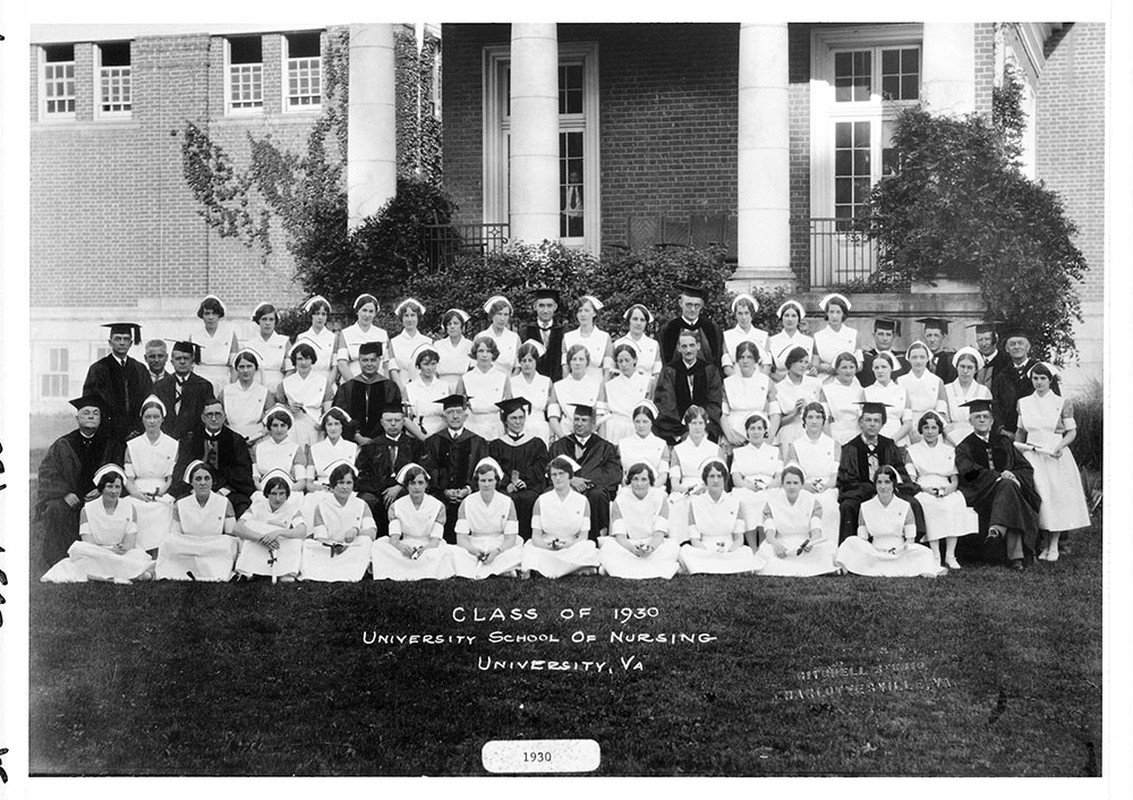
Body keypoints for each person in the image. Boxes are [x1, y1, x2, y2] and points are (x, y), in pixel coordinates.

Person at [1015, 362, 1092, 561]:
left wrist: (1059, 447)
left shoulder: (1062, 402)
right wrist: (1017, 448)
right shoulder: (1023, 402)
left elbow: (1071, 432)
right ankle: (1043, 543)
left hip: (1055, 455)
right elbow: (1021, 431)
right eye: (1035, 378)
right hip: (1032, 454)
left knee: (1056, 498)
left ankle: (1054, 544)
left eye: (1043, 378)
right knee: (1041, 497)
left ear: (1050, 380)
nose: (1038, 382)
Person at [954, 398, 1041, 571]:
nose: (982, 420)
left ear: (992, 420)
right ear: (970, 421)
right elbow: (968, 473)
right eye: (977, 416)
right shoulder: (964, 446)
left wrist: (1014, 475)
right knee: (1008, 488)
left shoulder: (1004, 442)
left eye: (986, 416)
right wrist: (998, 477)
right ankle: (1016, 556)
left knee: (1009, 488)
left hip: (1007, 492)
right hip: (982, 493)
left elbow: (1025, 468)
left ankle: (996, 531)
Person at [34, 395, 115, 576]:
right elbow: (48, 472)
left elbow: (116, 471)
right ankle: (59, 561)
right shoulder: (63, 444)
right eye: (86, 413)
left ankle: (102, 561)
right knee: (55, 509)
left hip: (100, 498)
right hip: (70, 497)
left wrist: (102, 490)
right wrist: (65, 493)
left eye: (96, 413)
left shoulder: (110, 444)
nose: (91, 416)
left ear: (100, 419)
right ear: (77, 418)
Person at [41, 464, 155, 583]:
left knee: (135, 555)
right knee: (81, 551)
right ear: (101, 488)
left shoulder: (130, 508)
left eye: (118, 487)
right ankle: (118, 577)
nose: (114, 491)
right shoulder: (87, 510)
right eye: (109, 487)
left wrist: (122, 549)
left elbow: (130, 541)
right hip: (96, 552)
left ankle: (102, 576)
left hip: (121, 553)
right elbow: (88, 542)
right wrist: (109, 551)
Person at [834, 466, 945, 578]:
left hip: (900, 553)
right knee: (850, 542)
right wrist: (873, 551)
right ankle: (844, 566)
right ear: (875, 484)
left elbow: (910, 539)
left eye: (887, 482)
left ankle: (919, 567)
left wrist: (900, 550)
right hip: (875, 553)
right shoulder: (865, 507)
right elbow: (862, 539)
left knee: (924, 551)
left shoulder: (905, 506)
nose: (883, 487)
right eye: (879, 482)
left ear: (893, 484)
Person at [836, 402, 923, 544]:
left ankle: (909, 547)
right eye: (868, 420)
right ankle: (851, 551)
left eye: (876, 421)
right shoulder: (850, 448)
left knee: (912, 503)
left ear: (883, 424)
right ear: (861, 423)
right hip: (860, 492)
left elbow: (900, 473)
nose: (872, 424)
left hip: (889, 491)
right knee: (848, 506)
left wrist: (891, 487)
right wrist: (870, 489)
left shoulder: (889, 445)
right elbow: (846, 480)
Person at [906, 411, 978, 570]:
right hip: (924, 487)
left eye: (934, 427)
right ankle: (935, 554)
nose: (930, 431)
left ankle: (950, 555)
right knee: (932, 506)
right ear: (921, 430)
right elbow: (911, 478)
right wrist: (925, 489)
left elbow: (954, 478)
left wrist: (950, 490)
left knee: (955, 502)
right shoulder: (912, 451)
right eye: (926, 427)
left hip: (946, 487)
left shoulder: (949, 450)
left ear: (939, 430)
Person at [547, 403, 622, 539]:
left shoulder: (605, 447)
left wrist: (585, 482)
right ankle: (558, 538)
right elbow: (549, 471)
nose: (579, 424)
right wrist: (570, 480)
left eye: (584, 420)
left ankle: (593, 540)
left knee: (597, 495)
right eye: (576, 419)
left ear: (593, 424)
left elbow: (614, 474)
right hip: (565, 488)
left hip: (593, 489)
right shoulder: (559, 446)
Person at [170, 398, 255, 518]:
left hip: (227, 490)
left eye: (218, 414)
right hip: (194, 490)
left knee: (241, 505)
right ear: (203, 418)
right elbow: (181, 469)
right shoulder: (189, 440)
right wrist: (196, 490)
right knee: (180, 505)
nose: (214, 419)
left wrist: (222, 492)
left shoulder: (236, 440)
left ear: (224, 417)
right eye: (210, 415)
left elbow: (242, 473)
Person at [156, 461, 239, 581]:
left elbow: (231, 534)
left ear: (212, 481)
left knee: (228, 542)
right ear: (191, 482)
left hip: (213, 546)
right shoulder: (180, 504)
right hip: (189, 545)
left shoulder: (224, 503)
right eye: (198, 479)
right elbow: (175, 534)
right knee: (168, 540)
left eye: (207, 478)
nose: (203, 483)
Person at [355, 402, 429, 535]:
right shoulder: (371, 446)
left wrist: (400, 486)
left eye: (397, 420)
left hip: (406, 490)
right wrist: (384, 488)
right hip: (378, 492)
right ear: (382, 422)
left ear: (403, 422)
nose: (393, 424)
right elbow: (364, 475)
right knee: (366, 500)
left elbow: (421, 472)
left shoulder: (415, 445)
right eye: (389, 420)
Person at [371, 463, 455, 581]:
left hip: (429, 546)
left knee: (439, 553)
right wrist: (401, 547)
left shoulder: (437, 506)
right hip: (405, 545)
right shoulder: (396, 506)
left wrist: (424, 549)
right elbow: (394, 539)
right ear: (407, 485)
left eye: (420, 483)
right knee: (379, 546)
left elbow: (435, 540)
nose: (417, 487)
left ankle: (411, 570)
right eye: (412, 483)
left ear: (426, 484)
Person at [753, 463, 838, 577]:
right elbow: (769, 533)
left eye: (795, 483)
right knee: (766, 550)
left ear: (802, 484)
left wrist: (811, 543)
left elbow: (816, 531)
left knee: (826, 549)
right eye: (788, 483)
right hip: (782, 543)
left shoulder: (813, 502)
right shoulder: (772, 503)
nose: (792, 487)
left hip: (805, 543)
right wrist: (776, 544)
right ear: (782, 484)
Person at [522, 455, 601, 578]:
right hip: (546, 546)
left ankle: (546, 568)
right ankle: (574, 568)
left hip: (572, 546)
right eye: (554, 475)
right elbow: (536, 535)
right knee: (531, 548)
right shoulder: (541, 500)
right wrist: (547, 546)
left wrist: (569, 545)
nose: (558, 478)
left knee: (588, 547)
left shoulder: (582, 501)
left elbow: (583, 536)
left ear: (570, 476)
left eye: (561, 473)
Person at [424, 394, 489, 543]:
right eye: (450, 412)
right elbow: (429, 470)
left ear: (465, 416)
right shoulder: (432, 442)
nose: (455, 416)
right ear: (443, 416)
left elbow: (483, 471)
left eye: (458, 412)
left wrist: (468, 489)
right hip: (441, 496)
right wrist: (443, 490)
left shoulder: (478, 442)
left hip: (470, 496)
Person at [678, 457, 759, 574]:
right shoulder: (695, 503)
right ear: (705, 479)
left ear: (724, 479)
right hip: (704, 549)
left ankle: (709, 567)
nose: (715, 480)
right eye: (711, 476)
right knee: (685, 552)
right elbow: (695, 539)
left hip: (730, 548)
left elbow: (739, 538)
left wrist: (729, 551)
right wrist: (709, 553)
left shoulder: (735, 502)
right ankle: (726, 567)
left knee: (746, 552)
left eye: (719, 476)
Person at [600, 462, 680, 579]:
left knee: (672, 548)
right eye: (635, 479)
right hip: (628, 544)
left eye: (644, 479)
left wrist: (650, 548)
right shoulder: (620, 500)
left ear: (650, 481)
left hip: (653, 544)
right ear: (629, 481)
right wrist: (632, 549)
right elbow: (620, 536)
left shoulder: (660, 498)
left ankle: (617, 567)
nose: (639, 484)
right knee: (608, 548)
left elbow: (659, 535)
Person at [301, 462, 376, 582]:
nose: (345, 487)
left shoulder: (361, 504)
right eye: (341, 483)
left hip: (352, 547)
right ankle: (335, 570)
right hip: (330, 549)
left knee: (365, 541)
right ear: (333, 485)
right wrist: (334, 545)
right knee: (308, 545)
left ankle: (348, 571)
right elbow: (320, 537)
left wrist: (356, 530)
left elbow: (372, 533)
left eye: (349, 483)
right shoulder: (322, 506)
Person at [83, 321, 151, 450]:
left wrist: (137, 428)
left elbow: (147, 401)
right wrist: (122, 430)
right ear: (110, 342)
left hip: (138, 435)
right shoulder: (98, 369)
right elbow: (91, 403)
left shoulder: (139, 369)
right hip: (108, 435)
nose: (121, 342)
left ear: (131, 343)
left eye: (126, 339)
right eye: (117, 339)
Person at [123, 395, 178, 552]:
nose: (152, 421)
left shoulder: (172, 444)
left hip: (161, 491)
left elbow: (170, 478)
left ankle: (160, 554)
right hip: (138, 490)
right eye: (148, 417)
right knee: (132, 506)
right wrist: (136, 493)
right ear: (142, 419)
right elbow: (129, 478)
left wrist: (162, 491)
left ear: (162, 419)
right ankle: (136, 552)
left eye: (156, 417)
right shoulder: (132, 445)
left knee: (164, 508)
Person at [452, 458, 525, 579]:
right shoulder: (467, 502)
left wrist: (496, 552)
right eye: (483, 480)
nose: (486, 484)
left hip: (500, 544)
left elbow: (511, 538)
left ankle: (483, 568)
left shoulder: (507, 502)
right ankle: (504, 570)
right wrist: (475, 551)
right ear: (477, 481)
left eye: (490, 480)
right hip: (474, 544)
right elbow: (461, 538)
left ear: (497, 481)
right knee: (454, 553)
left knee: (520, 552)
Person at [488, 397, 549, 539]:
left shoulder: (536, 443)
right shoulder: (496, 445)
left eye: (521, 417)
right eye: (513, 418)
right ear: (505, 420)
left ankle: (529, 540)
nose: (518, 422)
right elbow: (495, 468)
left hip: (530, 488)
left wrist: (525, 481)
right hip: (505, 488)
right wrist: (507, 483)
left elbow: (540, 467)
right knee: (505, 499)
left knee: (529, 499)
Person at [783, 402, 842, 545]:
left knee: (829, 507)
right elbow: (792, 474)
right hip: (804, 487)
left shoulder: (834, 444)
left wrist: (826, 486)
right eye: (810, 417)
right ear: (804, 421)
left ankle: (829, 550)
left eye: (818, 417)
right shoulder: (795, 445)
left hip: (827, 488)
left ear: (823, 420)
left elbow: (835, 475)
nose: (814, 421)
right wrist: (804, 485)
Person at [232, 470, 306, 582]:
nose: (278, 498)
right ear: (267, 494)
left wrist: (278, 533)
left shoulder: (292, 509)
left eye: (282, 493)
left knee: (295, 540)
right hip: (259, 543)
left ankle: (285, 572)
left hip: (278, 544)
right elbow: (237, 528)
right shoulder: (257, 506)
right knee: (251, 528)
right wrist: (261, 538)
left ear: (287, 494)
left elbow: (302, 530)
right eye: (274, 493)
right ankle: (250, 570)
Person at [653, 329, 724, 445]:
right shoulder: (670, 371)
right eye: (684, 346)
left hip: (705, 427)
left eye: (692, 345)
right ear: (679, 348)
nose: (688, 350)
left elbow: (714, 401)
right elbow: (666, 402)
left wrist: (701, 424)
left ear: (698, 346)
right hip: (676, 429)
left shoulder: (709, 370)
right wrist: (682, 428)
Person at [332, 341, 403, 447]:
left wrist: (377, 438)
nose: (369, 364)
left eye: (373, 360)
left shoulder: (389, 387)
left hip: (382, 443)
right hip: (352, 442)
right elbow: (340, 415)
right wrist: (356, 435)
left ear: (379, 361)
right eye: (365, 360)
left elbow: (393, 415)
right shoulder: (347, 387)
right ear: (359, 361)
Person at [729, 412, 782, 544]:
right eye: (752, 428)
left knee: (768, 500)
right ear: (747, 431)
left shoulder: (774, 451)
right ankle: (752, 545)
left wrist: (768, 486)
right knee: (745, 501)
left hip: (770, 487)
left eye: (759, 428)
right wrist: (749, 486)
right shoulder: (739, 453)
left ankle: (765, 543)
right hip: (747, 488)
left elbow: (780, 476)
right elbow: (736, 478)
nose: (756, 432)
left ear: (765, 431)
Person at [304, 407, 358, 523]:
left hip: (345, 490)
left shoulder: (353, 448)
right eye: (329, 424)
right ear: (325, 427)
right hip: (320, 490)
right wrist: (319, 488)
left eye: (336, 424)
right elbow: (309, 483)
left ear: (342, 425)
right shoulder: (314, 449)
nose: (333, 428)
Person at [276, 342, 335, 447]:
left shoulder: (323, 382)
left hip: (315, 426)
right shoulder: (285, 383)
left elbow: (328, 410)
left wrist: (323, 424)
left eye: (307, 358)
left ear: (312, 360)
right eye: (299, 359)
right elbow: (279, 409)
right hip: (293, 427)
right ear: (294, 361)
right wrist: (290, 409)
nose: (303, 363)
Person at [721, 340, 778, 447]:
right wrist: (729, 435)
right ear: (737, 360)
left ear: (756, 360)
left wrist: (770, 435)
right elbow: (723, 413)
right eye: (742, 357)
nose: (745, 361)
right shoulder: (728, 383)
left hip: (760, 433)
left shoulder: (766, 381)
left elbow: (775, 412)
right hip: (735, 434)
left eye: (749, 357)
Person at [153, 340, 214, 441]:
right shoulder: (160, 386)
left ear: (192, 361)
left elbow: (208, 416)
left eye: (186, 358)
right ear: (172, 361)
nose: (182, 362)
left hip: (194, 441)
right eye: (178, 358)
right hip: (165, 439)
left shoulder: (204, 386)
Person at [458, 335, 512, 441]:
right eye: (481, 351)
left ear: (493, 354)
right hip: (472, 426)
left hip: (495, 428)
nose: (484, 355)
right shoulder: (465, 378)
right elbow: (459, 407)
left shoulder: (502, 377)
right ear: (475, 353)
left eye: (488, 351)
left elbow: (508, 408)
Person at [548, 343, 607, 440]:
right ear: (569, 362)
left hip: (590, 436)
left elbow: (600, 418)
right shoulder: (558, 386)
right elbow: (553, 418)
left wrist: (598, 442)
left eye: (581, 359)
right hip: (565, 433)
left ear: (587, 362)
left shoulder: (596, 385)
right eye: (574, 359)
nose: (577, 363)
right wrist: (564, 439)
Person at [659, 282, 724, 368]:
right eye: (689, 305)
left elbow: (718, 360)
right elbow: (664, 361)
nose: (693, 309)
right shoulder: (669, 329)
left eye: (697, 305)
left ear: (702, 306)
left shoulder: (712, 329)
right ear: (680, 303)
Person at [991, 328, 1039, 437]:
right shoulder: (1001, 377)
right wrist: (1002, 430)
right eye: (1012, 344)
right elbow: (996, 407)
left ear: (1028, 347)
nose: (1016, 346)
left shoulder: (1041, 373)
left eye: (1021, 343)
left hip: (1036, 433)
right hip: (1008, 435)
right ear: (1007, 349)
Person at [251, 405, 308, 496]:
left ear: (288, 427)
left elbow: (301, 482)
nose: (279, 430)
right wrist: (267, 492)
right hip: (264, 493)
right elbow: (255, 479)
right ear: (269, 427)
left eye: (283, 425)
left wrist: (283, 492)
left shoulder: (296, 449)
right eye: (275, 425)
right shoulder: (258, 448)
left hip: (290, 492)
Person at [335, 293, 392, 383]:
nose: (367, 315)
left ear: (375, 313)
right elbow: (342, 364)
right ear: (357, 311)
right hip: (353, 385)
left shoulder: (382, 334)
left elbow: (386, 364)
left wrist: (386, 386)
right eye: (364, 310)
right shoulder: (346, 334)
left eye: (371, 311)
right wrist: (355, 386)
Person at [898, 341, 947, 445]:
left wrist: (930, 428)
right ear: (909, 359)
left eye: (922, 357)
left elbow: (941, 411)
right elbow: (900, 410)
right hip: (907, 428)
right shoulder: (900, 381)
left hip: (931, 427)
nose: (918, 361)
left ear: (927, 358)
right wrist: (910, 429)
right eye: (914, 357)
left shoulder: (937, 381)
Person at [772, 346, 822, 449]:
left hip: (811, 429)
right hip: (788, 431)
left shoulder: (815, 383)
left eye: (806, 362)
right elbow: (777, 422)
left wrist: (808, 409)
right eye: (800, 362)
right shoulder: (779, 388)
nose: (803, 366)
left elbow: (823, 413)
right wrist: (793, 414)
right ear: (791, 363)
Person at [601, 343, 650, 445]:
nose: (624, 364)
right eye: (620, 361)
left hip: (636, 427)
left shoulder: (646, 382)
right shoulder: (610, 385)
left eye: (627, 360)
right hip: (615, 429)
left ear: (635, 360)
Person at [219, 349, 271, 444]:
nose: (245, 370)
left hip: (257, 440)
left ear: (255, 368)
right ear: (236, 369)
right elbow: (219, 418)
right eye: (241, 367)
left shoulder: (264, 392)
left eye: (249, 366)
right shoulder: (226, 391)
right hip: (231, 439)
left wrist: (257, 436)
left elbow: (271, 420)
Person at [191, 295, 239, 396]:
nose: (211, 317)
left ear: (219, 315)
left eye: (214, 313)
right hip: (200, 379)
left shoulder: (230, 335)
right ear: (202, 315)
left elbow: (234, 365)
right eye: (207, 313)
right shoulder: (194, 336)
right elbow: (190, 364)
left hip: (223, 380)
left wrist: (232, 386)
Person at [943, 347, 992, 446]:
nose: (965, 371)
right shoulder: (946, 389)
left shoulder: (983, 391)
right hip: (951, 439)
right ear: (956, 367)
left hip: (977, 439)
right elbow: (943, 420)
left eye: (970, 367)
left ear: (976, 370)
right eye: (962, 366)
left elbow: (987, 420)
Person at [510, 340, 554, 445]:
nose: (527, 364)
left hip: (541, 429)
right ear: (519, 362)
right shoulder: (512, 382)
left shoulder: (546, 381)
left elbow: (552, 410)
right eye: (523, 360)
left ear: (536, 361)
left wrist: (552, 434)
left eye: (530, 360)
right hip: (520, 429)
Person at [618, 400, 671, 484]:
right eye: (637, 421)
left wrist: (652, 489)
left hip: (655, 489)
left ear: (652, 422)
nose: (641, 425)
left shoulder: (661, 444)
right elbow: (620, 474)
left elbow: (663, 475)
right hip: (629, 489)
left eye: (645, 421)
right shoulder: (623, 444)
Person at [863, 351, 911, 444]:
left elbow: (908, 423)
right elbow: (864, 422)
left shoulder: (902, 391)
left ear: (891, 368)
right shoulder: (866, 392)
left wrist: (892, 440)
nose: (880, 371)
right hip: (874, 443)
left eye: (884, 367)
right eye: (876, 368)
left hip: (899, 441)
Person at [403, 343, 449, 441]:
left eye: (433, 364)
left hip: (441, 435)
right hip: (417, 436)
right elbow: (406, 419)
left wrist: (437, 436)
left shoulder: (445, 386)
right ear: (419, 365)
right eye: (426, 364)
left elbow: (449, 414)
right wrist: (423, 438)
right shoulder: (409, 388)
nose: (430, 368)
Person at [562, 294, 613, 380]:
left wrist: (603, 389)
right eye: (579, 311)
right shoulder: (568, 338)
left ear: (594, 313)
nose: (583, 314)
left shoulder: (604, 337)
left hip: (597, 384)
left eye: (586, 310)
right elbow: (565, 368)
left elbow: (608, 369)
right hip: (574, 384)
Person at [519, 288, 565, 382]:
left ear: (555, 307)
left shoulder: (564, 332)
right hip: (531, 385)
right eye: (541, 306)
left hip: (557, 384)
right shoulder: (525, 332)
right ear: (535, 306)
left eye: (549, 306)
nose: (545, 310)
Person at [818, 351, 865, 445]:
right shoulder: (827, 390)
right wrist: (830, 442)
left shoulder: (861, 390)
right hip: (836, 436)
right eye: (844, 367)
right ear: (837, 369)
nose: (848, 371)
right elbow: (824, 419)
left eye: (852, 367)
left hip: (858, 436)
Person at [296, 295, 340, 390]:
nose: (320, 317)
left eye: (323, 314)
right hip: (306, 383)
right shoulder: (302, 338)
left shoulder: (333, 338)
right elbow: (297, 365)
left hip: (327, 383)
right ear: (311, 315)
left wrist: (327, 387)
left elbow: (335, 366)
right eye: (316, 313)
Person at [812, 294, 860, 379]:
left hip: (849, 380)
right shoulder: (818, 337)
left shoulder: (854, 334)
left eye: (838, 312)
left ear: (843, 314)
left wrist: (842, 369)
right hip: (825, 380)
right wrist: (823, 368)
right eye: (831, 312)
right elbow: (815, 365)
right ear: (827, 313)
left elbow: (860, 365)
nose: (834, 316)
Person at [246, 302, 292, 393]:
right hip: (255, 389)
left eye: (271, 319)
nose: (268, 323)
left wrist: (281, 389)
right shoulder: (249, 345)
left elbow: (290, 370)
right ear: (258, 321)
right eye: (264, 319)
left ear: (275, 321)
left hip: (278, 389)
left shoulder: (284, 342)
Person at [721, 293, 770, 377]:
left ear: (752, 314)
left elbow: (767, 365)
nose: (744, 317)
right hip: (735, 383)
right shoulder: (727, 336)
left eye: (747, 313)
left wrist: (756, 381)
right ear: (735, 315)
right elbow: (727, 367)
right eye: (740, 313)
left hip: (758, 383)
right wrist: (740, 381)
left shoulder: (763, 336)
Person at [389, 298, 432, 388]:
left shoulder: (428, 342)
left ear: (418, 317)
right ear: (402, 318)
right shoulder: (394, 342)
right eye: (406, 315)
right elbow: (393, 369)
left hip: (424, 387)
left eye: (413, 315)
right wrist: (401, 390)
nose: (409, 319)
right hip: (401, 386)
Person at [613, 303, 663, 381]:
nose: (638, 323)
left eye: (642, 320)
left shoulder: (653, 345)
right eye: (635, 319)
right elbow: (613, 372)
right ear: (629, 321)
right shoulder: (618, 344)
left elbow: (657, 373)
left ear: (646, 323)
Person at [767, 300, 814, 378]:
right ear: (781, 318)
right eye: (786, 315)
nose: (790, 319)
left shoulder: (809, 341)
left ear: (799, 319)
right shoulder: (771, 341)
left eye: (794, 316)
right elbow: (769, 369)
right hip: (779, 383)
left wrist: (813, 370)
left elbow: (811, 366)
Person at [477, 295, 521, 376]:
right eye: (499, 314)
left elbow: (518, 366)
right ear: (492, 315)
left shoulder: (514, 338)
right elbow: (474, 365)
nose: (502, 318)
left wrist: (510, 383)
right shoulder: (481, 337)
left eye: (506, 314)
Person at [858, 318, 909, 387]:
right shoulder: (865, 359)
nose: (884, 338)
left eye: (888, 334)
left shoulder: (902, 360)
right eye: (881, 334)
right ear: (874, 335)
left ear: (893, 336)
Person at [434, 308, 474, 392]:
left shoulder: (469, 345)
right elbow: (434, 371)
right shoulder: (438, 345)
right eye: (449, 324)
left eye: (456, 323)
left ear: (462, 326)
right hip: (441, 387)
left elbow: (473, 371)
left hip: (463, 387)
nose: (452, 326)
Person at [968, 320, 1011, 387]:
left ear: (996, 340)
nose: (984, 344)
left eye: (987, 339)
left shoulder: (1006, 361)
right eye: (980, 340)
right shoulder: (973, 360)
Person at [917, 317, 957, 384]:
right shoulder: (919, 359)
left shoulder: (951, 361)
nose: (932, 340)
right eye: (929, 335)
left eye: (936, 335)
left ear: (943, 337)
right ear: (924, 337)